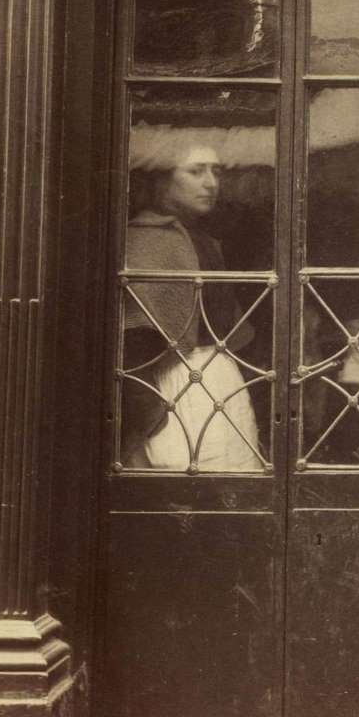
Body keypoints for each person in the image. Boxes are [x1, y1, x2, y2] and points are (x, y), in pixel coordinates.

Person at [121, 138, 263, 472]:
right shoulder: (145, 240)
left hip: (216, 376)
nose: (211, 183)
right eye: (196, 171)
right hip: (170, 383)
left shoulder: (202, 239)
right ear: (161, 180)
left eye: (215, 171)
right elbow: (136, 339)